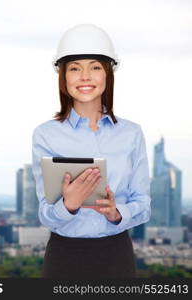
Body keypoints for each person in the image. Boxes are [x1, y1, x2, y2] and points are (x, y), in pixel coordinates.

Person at [31, 24, 151, 278]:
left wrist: (118, 213)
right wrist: (68, 205)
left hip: (116, 254)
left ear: (108, 74)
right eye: (75, 68)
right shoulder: (45, 135)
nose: (85, 76)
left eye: (95, 67)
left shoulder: (131, 134)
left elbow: (143, 203)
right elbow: (45, 214)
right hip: (64, 256)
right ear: (63, 78)